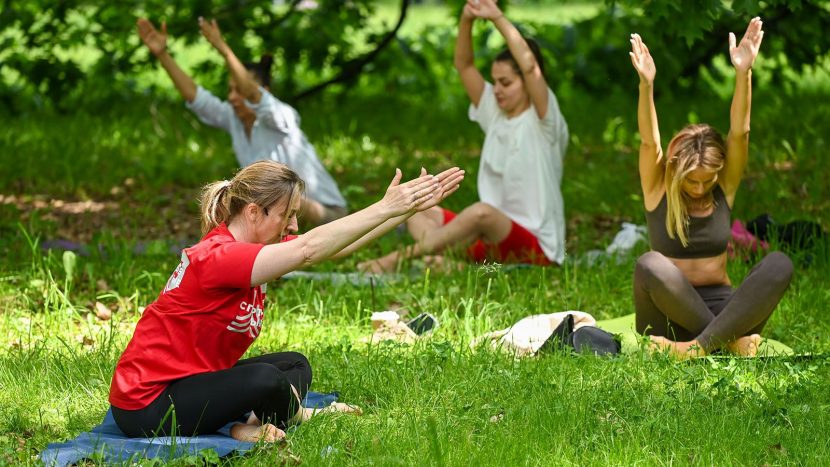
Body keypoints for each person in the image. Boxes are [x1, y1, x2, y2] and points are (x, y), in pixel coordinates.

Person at [108, 161, 464, 442]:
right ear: (252, 212)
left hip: (190, 383)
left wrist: (402, 211)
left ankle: (246, 423)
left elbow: (332, 248)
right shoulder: (220, 257)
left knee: (294, 366)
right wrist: (384, 206)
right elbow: (308, 248)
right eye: (286, 214)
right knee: (265, 380)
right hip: (147, 406)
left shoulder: (251, 251)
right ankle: (269, 422)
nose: (293, 225)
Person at [359, 0, 568, 272]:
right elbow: (465, 65)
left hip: (534, 248)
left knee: (482, 213)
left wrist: (497, 17)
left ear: (528, 84)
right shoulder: (495, 111)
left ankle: (396, 260)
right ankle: (451, 263)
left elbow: (530, 67)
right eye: (495, 82)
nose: (498, 90)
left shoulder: (545, 120)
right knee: (419, 210)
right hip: (485, 238)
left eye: (506, 83)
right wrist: (467, 18)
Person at [629, 17, 793, 359]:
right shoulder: (658, 185)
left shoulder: (723, 187)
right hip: (666, 315)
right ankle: (727, 344)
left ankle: (698, 348)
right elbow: (649, 142)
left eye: (708, 179)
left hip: (724, 309)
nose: (701, 187)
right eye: (692, 180)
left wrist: (743, 74)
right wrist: (646, 86)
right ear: (674, 170)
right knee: (649, 264)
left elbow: (740, 133)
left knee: (779, 263)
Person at [136, 17, 348, 226]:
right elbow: (196, 98)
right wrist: (162, 54)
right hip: (278, 214)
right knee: (253, 199)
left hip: (329, 217)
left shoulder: (282, 115)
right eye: (230, 90)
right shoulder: (233, 117)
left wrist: (223, 48)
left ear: (264, 91)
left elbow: (252, 94)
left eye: (238, 90)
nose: (232, 97)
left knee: (266, 196)